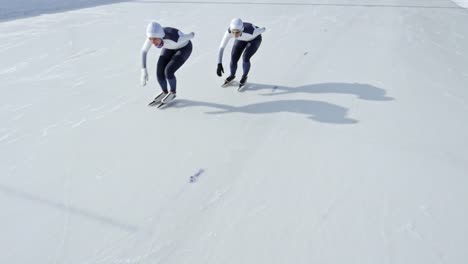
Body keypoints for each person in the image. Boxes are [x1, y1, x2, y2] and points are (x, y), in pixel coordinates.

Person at [141, 21, 194, 105]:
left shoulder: (175, 38)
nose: (152, 42)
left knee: (168, 71)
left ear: (160, 37)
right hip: (169, 47)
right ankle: (165, 92)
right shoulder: (152, 37)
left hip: (184, 48)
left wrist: (190, 34)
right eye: (150, 39)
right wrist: (143, 70)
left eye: (154, 39)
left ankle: (172, 92)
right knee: (159, 71)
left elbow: (191, 35)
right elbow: (144, 52)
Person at [217, 18, 265, 86]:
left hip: (254, 39)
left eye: (237, 32)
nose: (235, 35)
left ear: (241, 30)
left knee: (245, 57)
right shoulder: (229, 32)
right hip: (241, 38)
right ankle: (232, 75)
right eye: (233, 32)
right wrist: (219, 63)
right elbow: (221, 47)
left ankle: (244, 76)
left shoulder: (253, 32)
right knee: (233, 56)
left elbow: (263, 29)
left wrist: (262, 29)